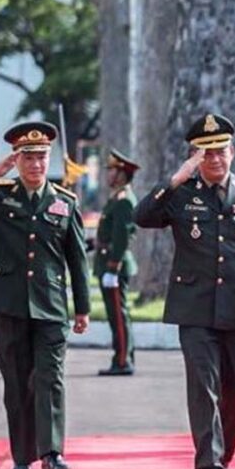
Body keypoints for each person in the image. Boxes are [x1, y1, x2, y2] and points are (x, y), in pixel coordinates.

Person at [134, 113, 235, 469]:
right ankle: (209, 468)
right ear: (194, 157)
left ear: (232, 153)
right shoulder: (181, 194)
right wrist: (174, 179)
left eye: (220, 151)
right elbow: (143, 216)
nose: (214, 159)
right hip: (195, 309)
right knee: (204, 388)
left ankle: (224, 454)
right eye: (205, 154)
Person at [0, 121, 90, 469]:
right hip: (8, 303)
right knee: (16, 382)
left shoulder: (64, 202)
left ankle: (52, 455)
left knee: (50, 379)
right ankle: (22, 456)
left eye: (41, 157)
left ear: (49, 159)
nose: (36, 165)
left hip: (50, 305)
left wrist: (83, 307)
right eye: (28, 158)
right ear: (17, 160)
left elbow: (77, 259)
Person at [95, 149, 140, 376]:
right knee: (117, 315)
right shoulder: (116, 198)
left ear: (122, 174)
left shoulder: (124, 201)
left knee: (119, 316)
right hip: (108, 261)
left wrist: (113, 267)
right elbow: (109, 233)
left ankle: (122, 361)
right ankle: (123, 356)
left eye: (112, 170)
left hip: (114, 265)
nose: (108, 174)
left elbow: (122, 237)